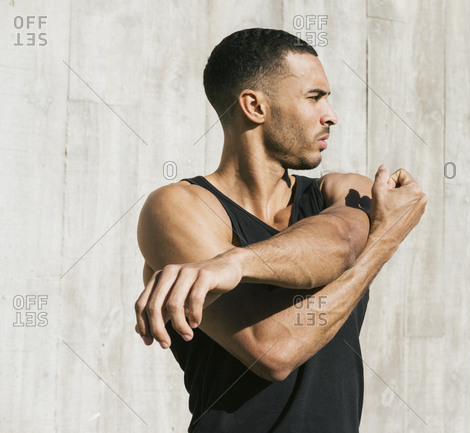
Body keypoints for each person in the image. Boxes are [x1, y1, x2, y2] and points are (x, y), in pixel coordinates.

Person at [134, 28, 427, 433]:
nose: (331, 115)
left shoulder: (344, 190)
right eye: (315, 97)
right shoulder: (178, 208)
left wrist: (233, 263)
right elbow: (274, 350)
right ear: (255, 106)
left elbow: (342, 244)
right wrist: (385, 241)